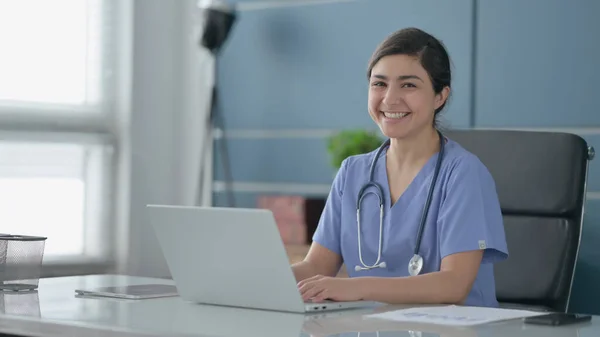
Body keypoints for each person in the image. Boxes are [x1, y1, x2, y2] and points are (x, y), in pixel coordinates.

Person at [291, 27, 508, 307]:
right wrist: (255, 278)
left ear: (440, 96)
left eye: (408, 85)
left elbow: (453, 285)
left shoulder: (463, 173)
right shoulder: (352, 173)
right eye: (379, 84)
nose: (390, 99)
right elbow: (315, 267)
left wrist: (356, 287)